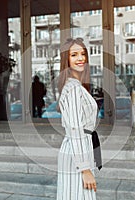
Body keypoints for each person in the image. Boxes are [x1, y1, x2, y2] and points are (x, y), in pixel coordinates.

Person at [56, 38, 98, 200]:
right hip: (77, 153)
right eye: (74, 55)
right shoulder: (73, 88)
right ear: (66, 59)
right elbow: (75, 128)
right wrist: (85, 169)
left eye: (83, 54)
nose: (80, 58)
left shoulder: (76, 86)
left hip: (79, 149)